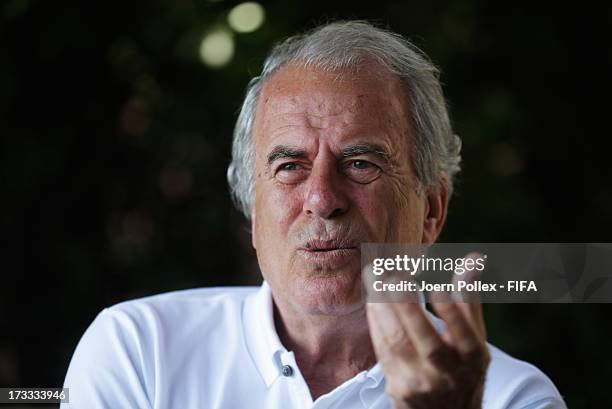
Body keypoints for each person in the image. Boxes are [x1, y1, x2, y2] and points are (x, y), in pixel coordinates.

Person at [61, 21, 566, 408]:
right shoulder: (139, 352)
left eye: (360, 163)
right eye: (289, 166)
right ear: (253, 211)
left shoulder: (510, 397)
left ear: (431, 210)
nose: (322, 199)